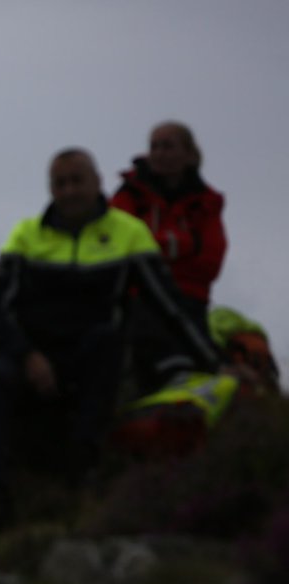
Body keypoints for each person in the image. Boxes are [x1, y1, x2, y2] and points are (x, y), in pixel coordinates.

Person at [0, 148, 219, 526]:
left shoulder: (129, 233)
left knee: (109, 340)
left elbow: (170, 307)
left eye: (77, 181)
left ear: (98, 182)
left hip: (90, 357)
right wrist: (27, 355)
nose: (69, 191)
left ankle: (81, 472)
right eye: (60, 183)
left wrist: (217, 364)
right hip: (32, 357)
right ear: (50, 189)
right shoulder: (26, 235)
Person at [110, 122, 226, 391]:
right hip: (138, 295)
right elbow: (117, 245)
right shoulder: (129, 194)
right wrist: (182, 245)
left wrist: (151, 246)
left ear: (189, 154)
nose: (160, 153)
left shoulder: (207, 202)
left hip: (189, 299)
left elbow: (210, 262)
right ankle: (173, 377)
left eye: (168, 146)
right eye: (154, 146)